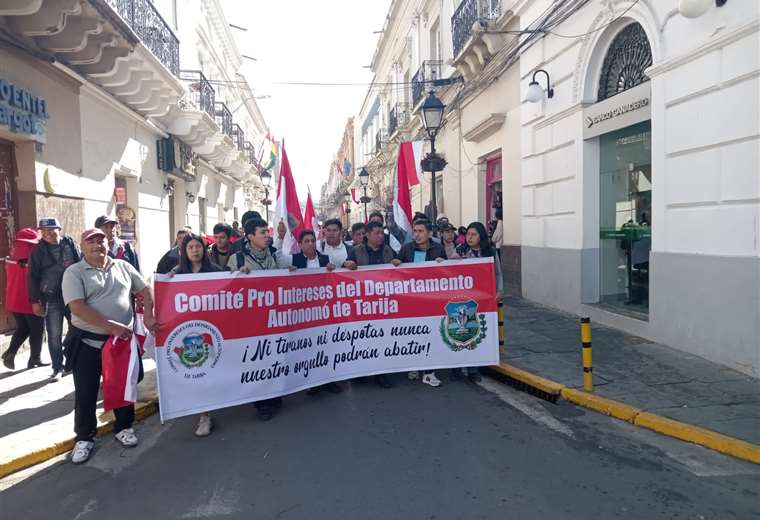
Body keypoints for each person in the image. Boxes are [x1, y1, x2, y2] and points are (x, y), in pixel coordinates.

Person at [62, 228, 157, 464]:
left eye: (101, 240)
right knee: (86, 391)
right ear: (82, 247)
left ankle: (124, 427)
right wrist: (110, 325)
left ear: (108, 243)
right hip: (88, 342)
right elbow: (77, 307)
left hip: (120, 343)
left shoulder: (123, 266)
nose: (97, 245)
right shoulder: (74, 272)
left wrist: (148, 314)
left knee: (123, 388)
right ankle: (84, 438)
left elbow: (144, 290)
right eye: (91, 241)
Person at [228, 218, 283, 420]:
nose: (267, 236)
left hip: (275, 318)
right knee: (257, 360)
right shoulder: (237, 259)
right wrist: (236, 274)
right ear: (250, 236)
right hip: (250, 322)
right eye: (262, 233)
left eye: (268, 232)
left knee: (274, 356)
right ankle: (262, 403)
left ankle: (275, 395)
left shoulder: (275, 255)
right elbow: (226, 290)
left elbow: (289, 274)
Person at [169, 233, 222, 437]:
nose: (194, 250)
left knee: (211, 369)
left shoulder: (215, 271)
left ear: (203, 249)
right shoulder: (176, 273)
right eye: (190, 247)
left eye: (198, 246)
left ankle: (210, 409)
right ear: (184, 251)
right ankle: (204, 414)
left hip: (213, 328)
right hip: (190, 331)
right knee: (198, 369)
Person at [283, 230, 343, 395]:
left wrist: (333, 270)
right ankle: (312, 382)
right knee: (308, 348)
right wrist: (288, 272)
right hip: (303, 313)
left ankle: (329, 380)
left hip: (323, 310)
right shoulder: (293, 260)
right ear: (300, 244)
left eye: (312, 241)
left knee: (326, 346)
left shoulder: (324, 259)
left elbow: (335, 281)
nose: (310, 244)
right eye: (306, 241)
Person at [393, 218, 446, 388]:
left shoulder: (438, 248)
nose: (417, 234)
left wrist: (443, 264)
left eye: (421, 231)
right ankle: (414, 365)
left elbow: (447, 274)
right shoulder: (407, 248)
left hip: (431, 301)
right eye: (415, 231)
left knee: (431, 334)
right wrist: (397, 263)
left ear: (430, 233)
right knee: (414, 334)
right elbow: (396, 271)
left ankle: (429, 372)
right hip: (412, 301)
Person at [343, 221, 396, 389]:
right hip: (363, 304)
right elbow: (344, 270)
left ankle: (382, 374)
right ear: (367, 234)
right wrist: (346, 265)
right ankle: (360, 373)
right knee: (363, 339)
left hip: (383, 303)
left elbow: (400, 267)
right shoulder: (356, 251)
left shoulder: (388, 250)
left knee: (382, 339)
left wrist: (397, 262)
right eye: (377, 233)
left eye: (382, 232)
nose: (381, 236)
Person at [28, 217, 81, 380]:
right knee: (54, 335)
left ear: (59, 229)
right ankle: (57, 367)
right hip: (52, 298)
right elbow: (32, 276)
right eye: (43, 231)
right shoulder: (38, 250)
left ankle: (73, 361)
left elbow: (80, 265)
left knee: (79, 329)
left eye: (50, 230)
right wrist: (34, 300)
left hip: (74, 296)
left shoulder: (70, 244)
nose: (47, 234)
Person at [454, 221, 504, 383]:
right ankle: (457, 367)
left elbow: (497, 273)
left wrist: (499, 291)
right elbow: (450, 269)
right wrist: (455, 260)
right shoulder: (461, 249)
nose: (469, 237)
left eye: (473, 234)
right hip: (463, 300)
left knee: (477, 333)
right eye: (468, 234)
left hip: (483, 299)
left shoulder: (489, 251)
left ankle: (473, 369)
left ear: (481, 236)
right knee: (461, 332)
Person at [1, 228, 46, 370]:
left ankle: (10, 353)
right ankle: (35, 359)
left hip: (14, 300)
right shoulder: (32, 258)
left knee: (24, 328)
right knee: (37, 330)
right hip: (29, 301)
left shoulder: (12, 257)